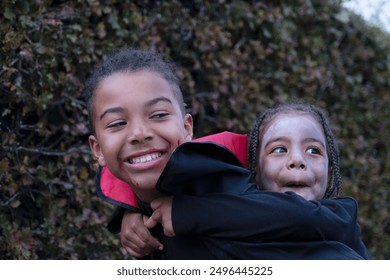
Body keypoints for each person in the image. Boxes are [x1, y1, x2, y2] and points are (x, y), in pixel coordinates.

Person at [86, 47, 369, 259]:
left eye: (158, 115)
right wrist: (131, 211)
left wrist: (189, 212)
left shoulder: (219, 178)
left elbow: (306, 217)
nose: (139, 133)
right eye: (118, 123)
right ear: (97, 150)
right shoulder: (144, 218)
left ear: (187, 128)